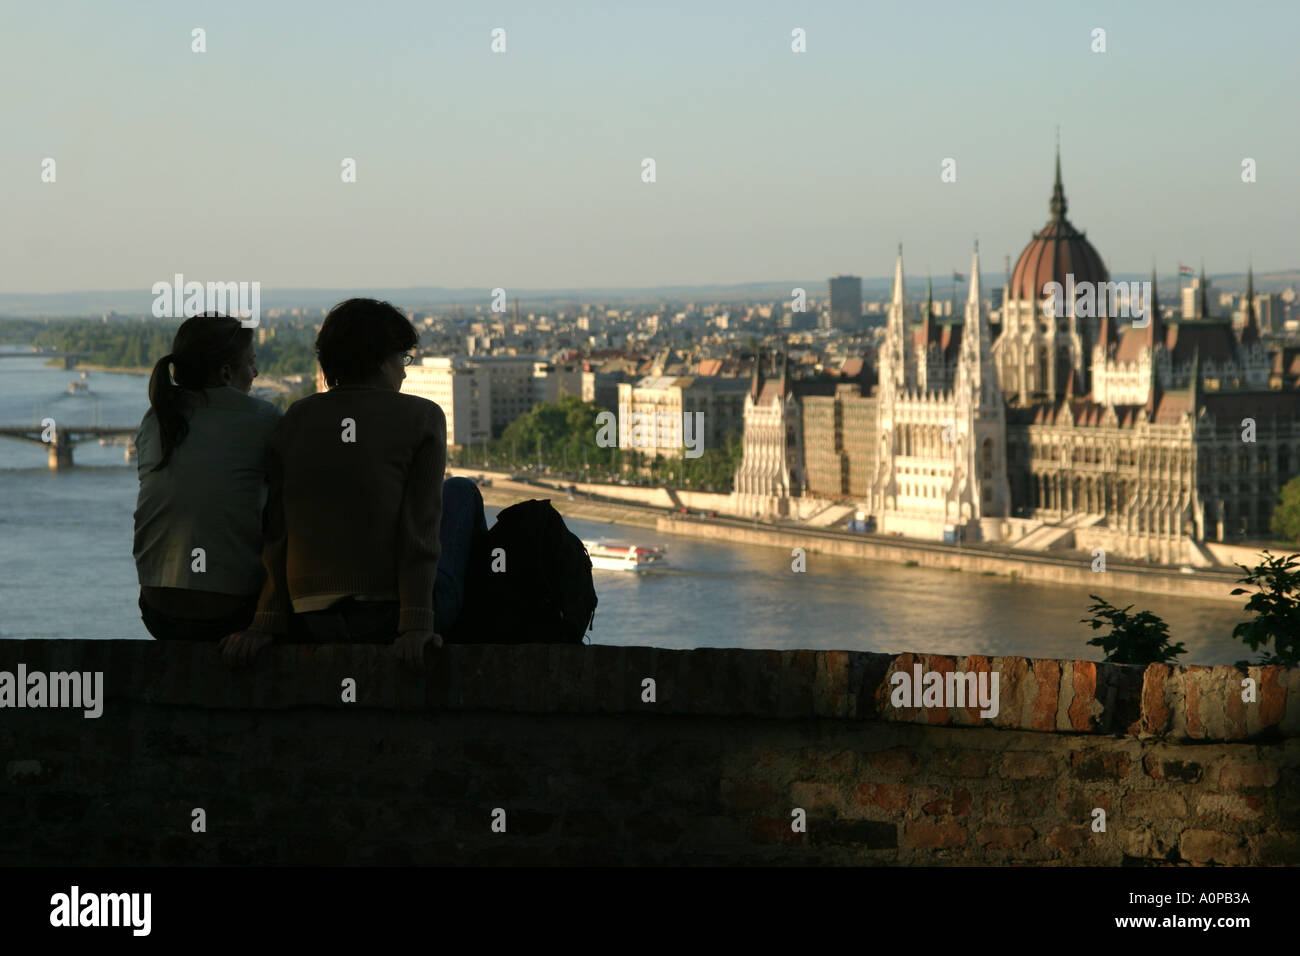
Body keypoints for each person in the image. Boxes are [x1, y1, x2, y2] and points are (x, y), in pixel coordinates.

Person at [221, 298, 487, 667]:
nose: (405, 373)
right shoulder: (422, 416)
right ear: (381, 361)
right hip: (389, 618)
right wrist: (414, 626)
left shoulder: (297, 418)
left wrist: (265, 621)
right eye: (402, 359)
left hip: (311, 619)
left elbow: (278, 530)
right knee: (462, 492)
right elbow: (419, 532)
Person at [133, 314, 281, 640]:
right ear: (227, 373)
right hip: (230, 612)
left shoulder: (156, 418)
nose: (255, 373)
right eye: (251, 363)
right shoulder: (263, 419)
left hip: (158, 607)